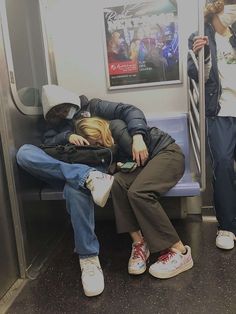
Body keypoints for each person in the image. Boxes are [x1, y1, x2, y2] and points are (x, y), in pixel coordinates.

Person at [16, 84, 150, 296]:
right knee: (24, 153)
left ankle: (88, 258)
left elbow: (129, 111)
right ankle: (86, 177)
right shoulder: (54, 124)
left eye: (63, 108)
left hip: (93, 164)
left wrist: (138, 135)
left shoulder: (94, 107)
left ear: (71, 102)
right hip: (63, 166)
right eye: (56, 113)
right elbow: (47, 143)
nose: (62, 114)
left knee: (74, 190)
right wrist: (66, 137)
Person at [75, 117, 194, 279]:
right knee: (116, 183)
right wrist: (118, 165)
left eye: (97, 138)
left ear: (101, 128)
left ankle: (180, 251)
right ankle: (139, 243)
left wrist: (120, 163)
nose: (99, 144)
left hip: (167, 154)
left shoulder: (117, 128)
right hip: (147, 164)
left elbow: (140, 155)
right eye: (94, 143)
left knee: (138, 192)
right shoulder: (106, 147)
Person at [188, 0, 236, 250]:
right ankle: (227, 226)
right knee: (224, 163)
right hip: (220, 110)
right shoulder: (201, 35)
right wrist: (203, 57)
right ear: (218, 7)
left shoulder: (235, 34)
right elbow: (197, 76)